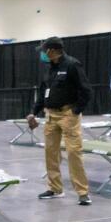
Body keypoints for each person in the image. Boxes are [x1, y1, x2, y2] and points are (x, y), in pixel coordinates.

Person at [27, 36, 93, 205]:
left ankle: (82, 192)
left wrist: (75, 111)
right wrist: (34, 113)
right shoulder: (49, 68)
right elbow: (43, 93)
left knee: (73, 153)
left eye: (44, 50)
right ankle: (55, 188)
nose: (42, 54)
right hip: (50, 115)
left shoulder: (72, 65)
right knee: (51, 153)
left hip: (67, 115)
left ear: (52, 50)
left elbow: (86, 91)